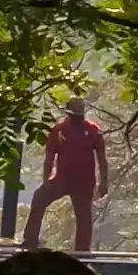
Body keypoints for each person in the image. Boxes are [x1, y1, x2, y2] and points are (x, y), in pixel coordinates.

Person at [22, 100, 107, 252]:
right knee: (39, 198)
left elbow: (101, 158)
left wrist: (103, 182)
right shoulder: (59, 129)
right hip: (61, 179)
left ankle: (82, 251)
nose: (76, 120)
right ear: (68, 114)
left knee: (84, 217)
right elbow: (49, 157)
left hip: (83, 182)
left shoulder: (93, 130)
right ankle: (30, 240)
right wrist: (46, 180)